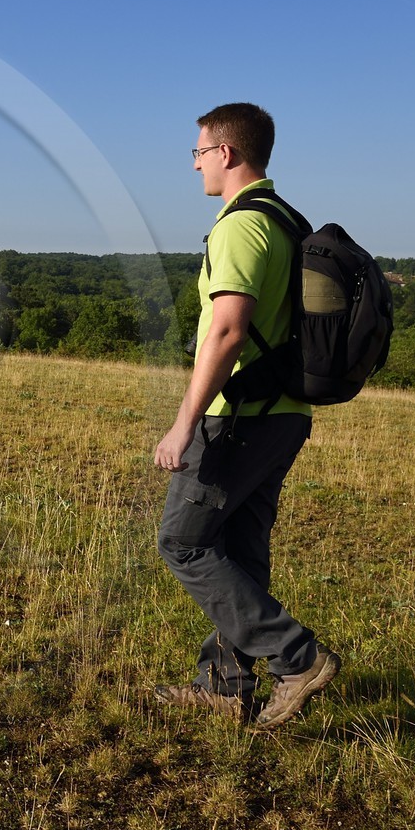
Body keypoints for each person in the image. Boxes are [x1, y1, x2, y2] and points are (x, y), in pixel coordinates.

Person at [152, 102, 339, 729]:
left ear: (226, 153)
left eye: (199, 152)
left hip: (237, 417)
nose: (195, 165)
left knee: (182, 542)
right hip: (284, 413)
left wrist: (184, 422)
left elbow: (227, 331)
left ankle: (298, 658)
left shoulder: (240, 225)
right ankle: (224, 686)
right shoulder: (285, 219)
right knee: (241, 549)